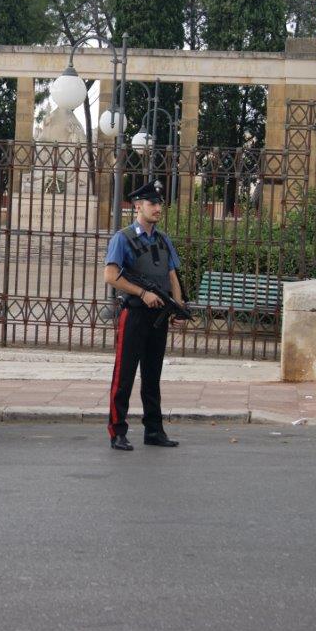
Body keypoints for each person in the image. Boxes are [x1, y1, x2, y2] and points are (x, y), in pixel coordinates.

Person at [103, 181, 187, 451]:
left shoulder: (163, 239)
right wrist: (142, 293)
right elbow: (111, 276)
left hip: (159, 316)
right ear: (138, 206)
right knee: (124, 374)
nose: (158, 208)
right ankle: (117, 431)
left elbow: (172, 274)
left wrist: (177, 306)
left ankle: (154, 430)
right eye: (153, 204)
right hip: (135, 314)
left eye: (160, 204)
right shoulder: (123, 238)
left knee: (153, 375)